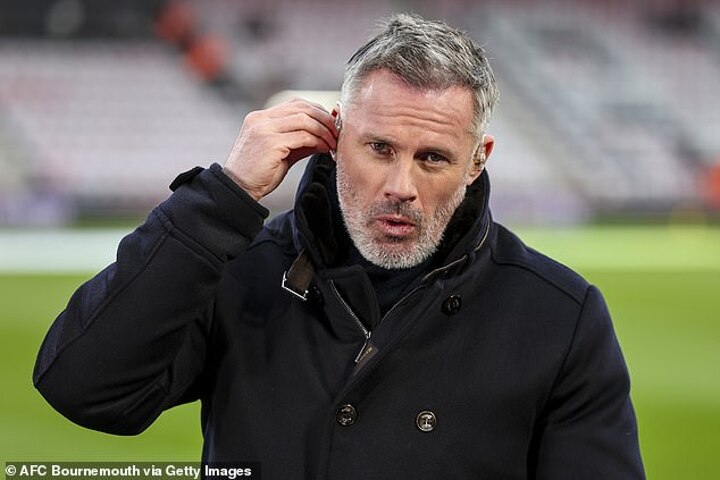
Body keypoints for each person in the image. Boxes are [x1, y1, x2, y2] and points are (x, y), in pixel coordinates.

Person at [34, 13, 645, 479]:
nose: (401, 186)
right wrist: (221, 198)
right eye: (379, 148)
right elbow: (84, 388)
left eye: (433, 158)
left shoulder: (560, 315)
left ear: (476, 162)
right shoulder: (239, 269)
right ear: (334, 136)